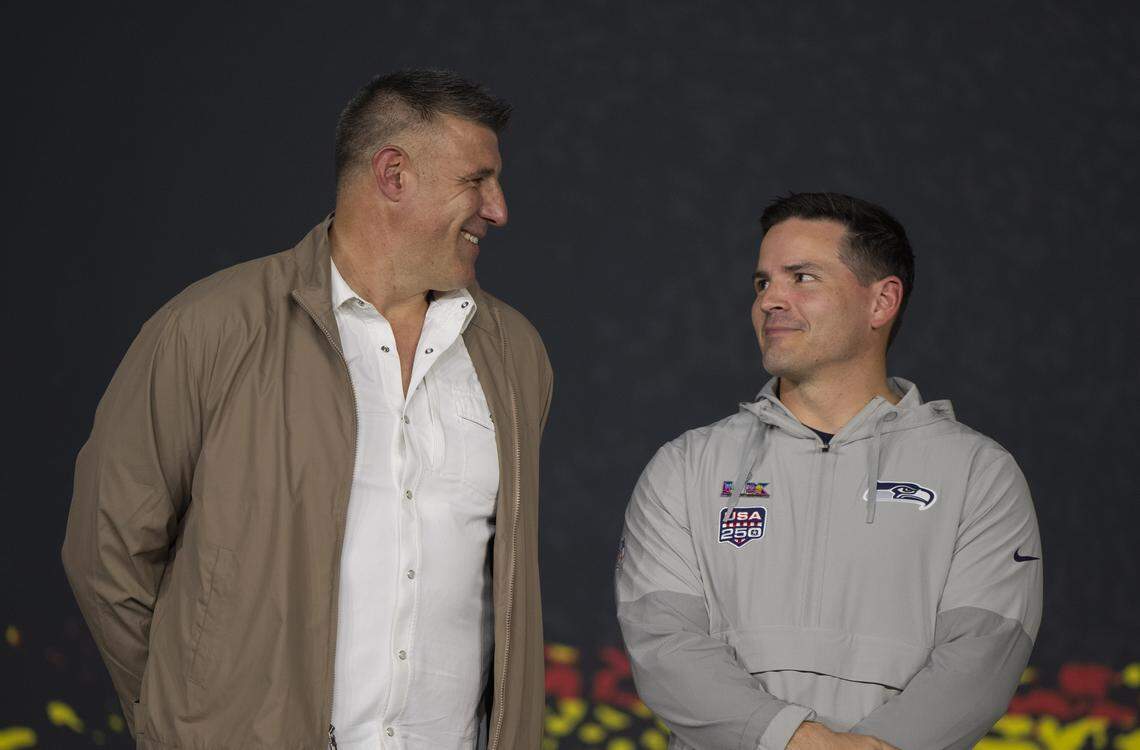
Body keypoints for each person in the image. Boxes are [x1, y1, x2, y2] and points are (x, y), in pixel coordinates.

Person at [62, 69, 552, 750]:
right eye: (477, 180)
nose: (497, 209)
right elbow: (105, 551)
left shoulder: (516, 354)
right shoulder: (208, 330)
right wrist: (187, 718)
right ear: (393, 173)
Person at [615, 192, 1042, 750]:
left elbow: (981, 654)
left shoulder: (980, 474)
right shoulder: (686, 465)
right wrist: (797, 742)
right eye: (762, 282)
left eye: (802, 278)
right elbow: (665, 646)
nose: (771, 300)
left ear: (881, 302)